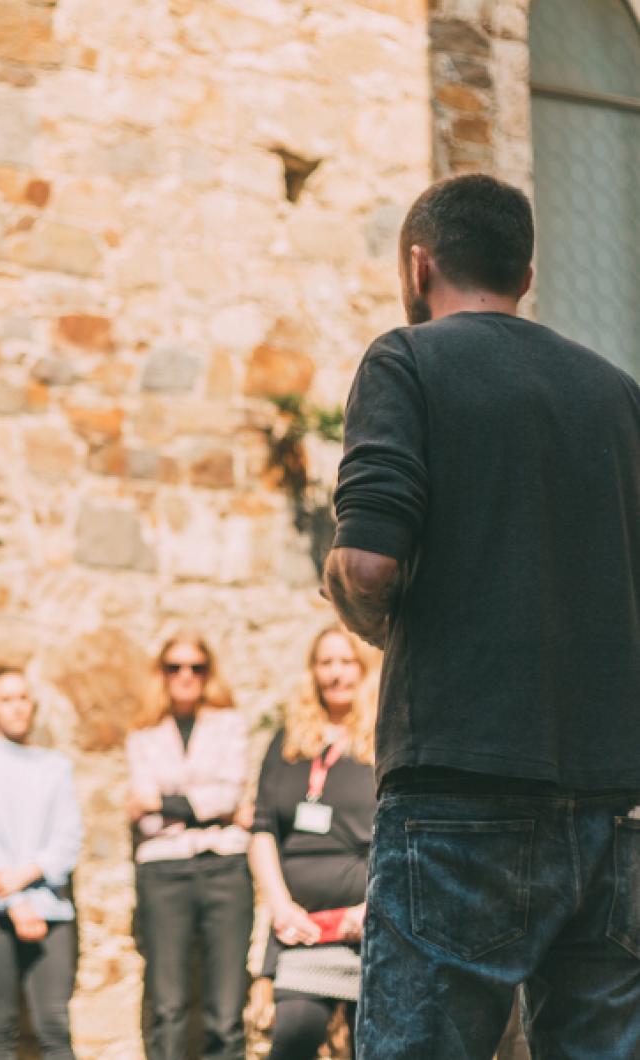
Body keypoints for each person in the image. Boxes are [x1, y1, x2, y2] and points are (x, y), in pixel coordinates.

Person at [323, 173, 640, 1058]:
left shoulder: (407, 361)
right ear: (526, 275)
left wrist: (366, 614)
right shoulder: (620, 397)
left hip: (460, 790)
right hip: (612, 805)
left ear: (419, 264)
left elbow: (366, 561)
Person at [247, 625, 378, 1060]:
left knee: (374, 1048)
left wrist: (373, 908)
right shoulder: (286, 743)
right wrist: (280, 907)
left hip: (368, 928)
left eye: (346, 662)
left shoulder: (385, 741)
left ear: (364, 670)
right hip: (299, 929)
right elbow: (263, 829)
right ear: (312, 671)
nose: (336, 674)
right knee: (293, 1037)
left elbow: (403, 835)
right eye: (326, 663)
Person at [126, 632, 253, 1060]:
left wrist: (166, 803)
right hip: (164, 872)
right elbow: (141, 810)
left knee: (226, 1009)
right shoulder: (143, 734)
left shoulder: (229, 724)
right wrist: (204, 805)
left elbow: (231, 795)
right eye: (175, 667)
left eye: (196, 667)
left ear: (208, 673)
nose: (185, 676)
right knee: (169, 1005)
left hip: (225, 868)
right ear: (160, 674)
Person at [0, 664, 81, 1060]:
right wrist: (15, 901)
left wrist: (29, 873)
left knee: (54, 1025)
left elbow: (68, 837)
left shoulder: (55, 767)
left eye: (23, 698)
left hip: (50, 908)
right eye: (6, 699)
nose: (17, 708)